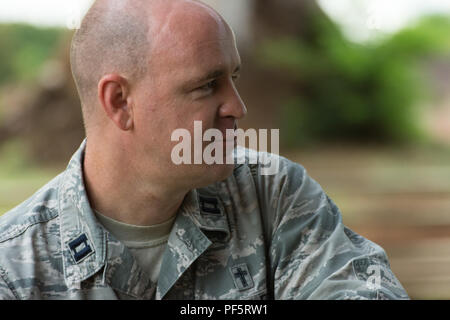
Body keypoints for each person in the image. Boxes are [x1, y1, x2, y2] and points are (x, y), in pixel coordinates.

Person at [0, 0, 408, 300]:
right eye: (206, 85)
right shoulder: (14, 267)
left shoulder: (274, 195)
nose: (238, 108)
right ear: (120, 103)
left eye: (233, 77)